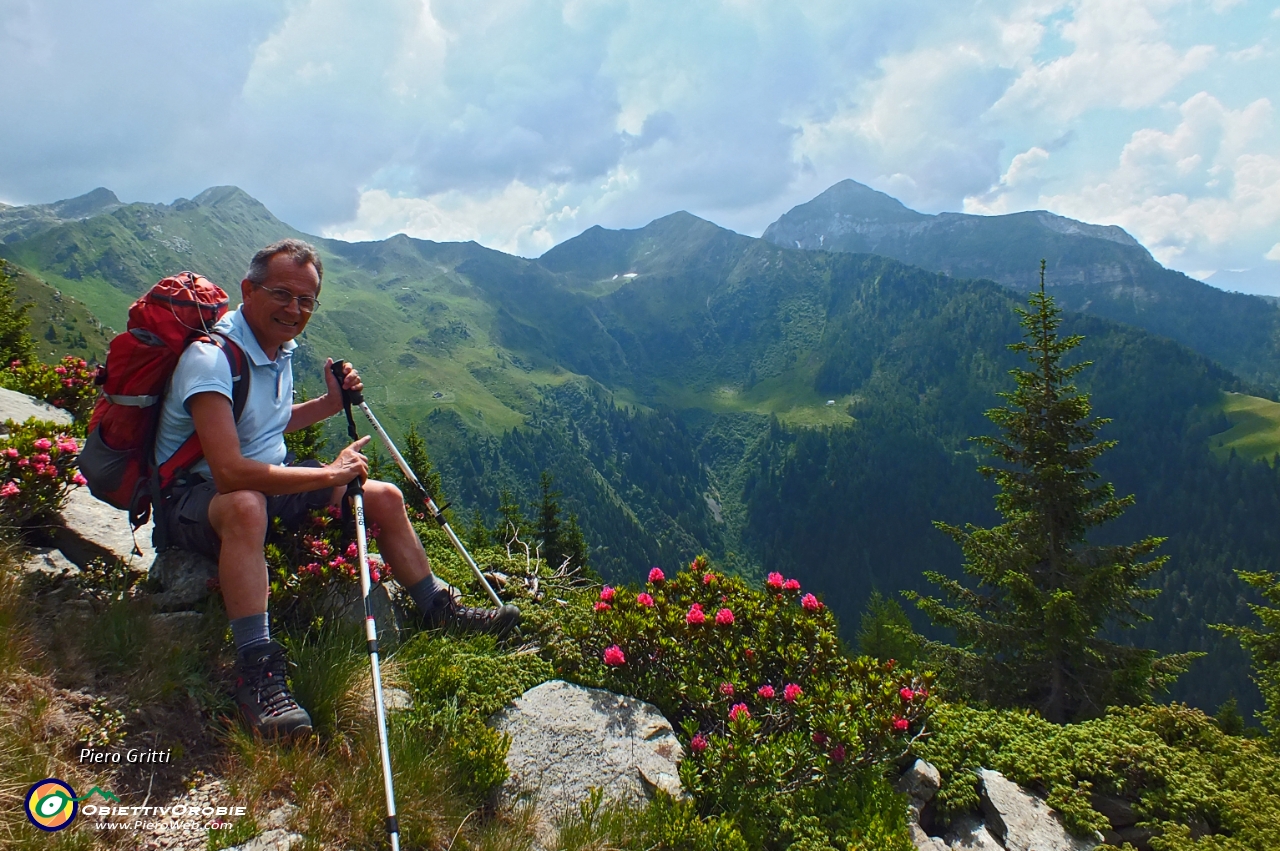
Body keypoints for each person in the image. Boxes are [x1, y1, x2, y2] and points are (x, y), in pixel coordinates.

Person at [153, 238, 519, 739]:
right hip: (195, 502)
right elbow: (230, 473)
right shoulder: (211, 359)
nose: (295, 309)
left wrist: (330, 402)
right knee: (245, 506)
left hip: (265, 488)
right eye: (282, 294)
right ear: (248, 290)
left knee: (385, 497)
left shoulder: (274, 348)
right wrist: (329, 474)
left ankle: (437, 608)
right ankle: (257, 670)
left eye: (306, 301)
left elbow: (266, 425)